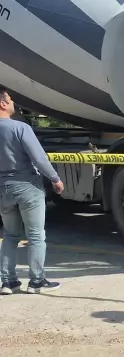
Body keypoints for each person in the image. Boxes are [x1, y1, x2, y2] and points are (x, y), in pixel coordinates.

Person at [0, 86, 64, 295]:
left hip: (2, 189)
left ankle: (8, 282)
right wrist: (55, 179)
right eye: (10, 100)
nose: (13, 103)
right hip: (27, 187)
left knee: (10, 235)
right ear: (3, 104)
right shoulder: (20, 128)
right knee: (36, 235)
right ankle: (36, 281)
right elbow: (39, 158)